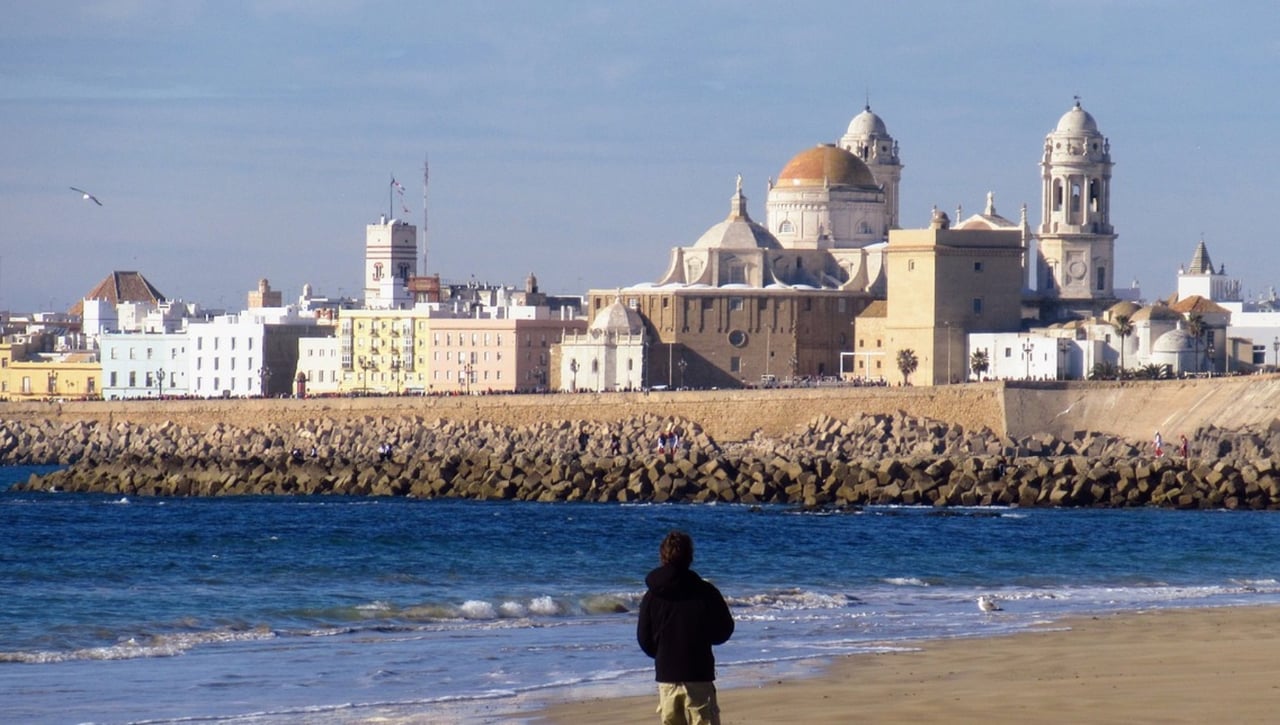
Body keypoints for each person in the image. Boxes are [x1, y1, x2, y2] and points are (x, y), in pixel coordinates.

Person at [637, 530, 735, 725]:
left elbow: (644, 637)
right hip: (698, 671)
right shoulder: (705, 591)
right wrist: (704, 638)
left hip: (667, 673)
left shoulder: (652, 595)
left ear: (662, 556)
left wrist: (662, 652)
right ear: (690, 557)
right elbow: (725, 628)